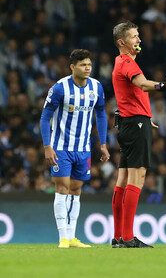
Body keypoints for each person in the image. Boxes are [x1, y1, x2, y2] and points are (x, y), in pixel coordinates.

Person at [111, 21, 166, 248]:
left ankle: (118, 237)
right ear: (122, 42)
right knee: (137, 178)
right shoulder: (127, 62)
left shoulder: (120, 62)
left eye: (138, 36)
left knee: (122, 179)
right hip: (135, 125)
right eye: (134, 37)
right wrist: (164, 86)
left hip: (131, 123)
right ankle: (129, 237)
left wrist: (144, 116)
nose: (139, 40)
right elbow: (142, 85)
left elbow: (131, 94)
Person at [40, 49, 110, 248]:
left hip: (83, 149)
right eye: (83, 65)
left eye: (89, 64)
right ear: (73, 67)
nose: (87, 68)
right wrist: (47, 146)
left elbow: (101, 115)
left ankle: (72, 237)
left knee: (76, 189)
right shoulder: (60, 88)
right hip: (61, 148)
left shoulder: (96, 87)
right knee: (61, 188)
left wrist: (103, 144)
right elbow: (45, 117)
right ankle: (62, 237)